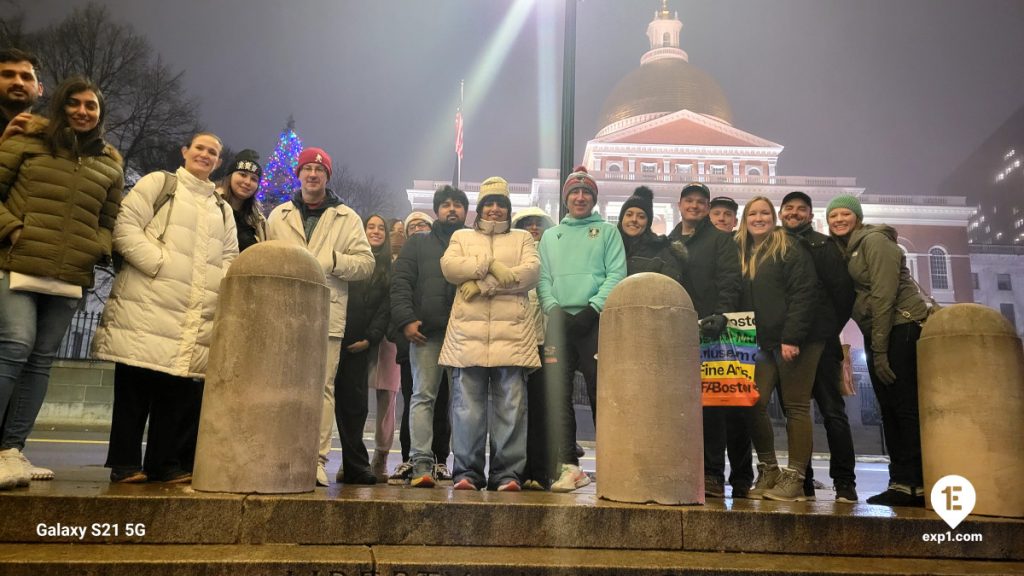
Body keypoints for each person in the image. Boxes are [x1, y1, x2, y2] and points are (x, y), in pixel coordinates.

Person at [0, 76, 123, 489]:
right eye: (75, 103)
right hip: (16, 262)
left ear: (100, 114)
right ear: (60, 106)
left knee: (40, 360)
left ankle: (12, 451)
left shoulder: (110, 163)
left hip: (70, 275)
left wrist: (95, 247)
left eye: (91, 105)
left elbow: (108, 218)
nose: (83, 111)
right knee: (15, 345)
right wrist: (12, 229)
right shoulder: (27, 142)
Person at [95, 131, 237, 484]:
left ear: (218, 162)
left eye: (213, 152)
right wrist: (159, 263)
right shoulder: (159, 183)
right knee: (135, 386)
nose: (205, 155)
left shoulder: (221, 208)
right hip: (147, 302)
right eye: (200, 148)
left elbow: (230, 257)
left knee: (175, 390)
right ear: (185, 151)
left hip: (191, 310)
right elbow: (124, 227)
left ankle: (164, 463)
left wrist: (215, 285)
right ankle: (125, 463)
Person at [265, 147, 375, 486]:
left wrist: (333, 260)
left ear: (327, 176)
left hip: (328, 314)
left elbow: (366, 264)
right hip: (284, 313)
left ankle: (315, 460)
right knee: (282, 386)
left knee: (322, 389)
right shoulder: (278, 215)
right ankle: (280, 456)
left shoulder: (347, 217)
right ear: (299, 174)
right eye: (307, 169)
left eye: (320, 170)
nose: (313, 175)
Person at [439, 176, 540, 491]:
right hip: (466, 336)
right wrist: (492, 264)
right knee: (466, 408)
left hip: (513, 336)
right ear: (480, 207)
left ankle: (506, 474)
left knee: (511, 407)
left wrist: (482, 283)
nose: (494, 209)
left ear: (508, 208)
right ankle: (467, 472)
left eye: (500, 204)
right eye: (489, 204)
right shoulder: (461, 235)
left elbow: (531, 273)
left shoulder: (523, 238)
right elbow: (450, 268)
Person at [827, 195, 929, 507]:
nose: (838, 220)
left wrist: (880, 350)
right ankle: (900, 482)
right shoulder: (849, 248)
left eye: (845, 214)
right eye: (833, 215)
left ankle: (915, 483)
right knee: (889, 406)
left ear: (857, 217)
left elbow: (885, 296)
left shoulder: (874, 241)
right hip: (879, 331)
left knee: (904, 406)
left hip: (901, 326)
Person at [537, 165, 626, 493]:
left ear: (593, 199)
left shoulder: (607, 232)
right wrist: (553, 309)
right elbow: (542, 277)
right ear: (566, 198)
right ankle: (569, 467)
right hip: (559, 323)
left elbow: (616, 273)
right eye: (574, 192)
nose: (579, 197)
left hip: (594, 323)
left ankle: (613, 464)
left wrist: (593, 308)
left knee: (600, 393)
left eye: (586, 192)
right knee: (558, 396)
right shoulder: (550, 236)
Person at [735, 196, 819, 501]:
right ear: (745, 219)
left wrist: (792, 337)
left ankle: (795, 478)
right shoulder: (743, 250)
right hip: (762, 341)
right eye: (753, 213)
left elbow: (804, 292)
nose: (759, 218)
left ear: (774, 217)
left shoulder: (788, 247)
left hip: (794, 339)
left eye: (765, 213)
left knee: (795, 406)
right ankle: (769, 469)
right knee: (753, 402)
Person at [779, 191, 858, 503]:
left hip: (821, 342)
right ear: (781, 213)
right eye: (789, 208)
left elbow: (843, 294)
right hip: (787, 341)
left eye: (801, 209)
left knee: (832, 411)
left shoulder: (823, 246)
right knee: (795, 412)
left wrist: (826, 329)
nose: (794, 213)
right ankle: (804, 481)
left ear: (811, 215)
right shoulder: (775, 243)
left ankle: (845, 482)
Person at [667, 182, 743, 498]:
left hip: (710, 328)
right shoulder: (669, 240)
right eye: (689, 200)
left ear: (707, 208)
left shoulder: (720, 240)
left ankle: (712, 474)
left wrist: (722, 314)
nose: (695, 206)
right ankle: (682, 468)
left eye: (701, 201)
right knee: (678, 404)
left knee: (712, 406)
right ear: (680, 204)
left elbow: (730, 280)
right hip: (675, 329)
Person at [390, 186, 468, 487]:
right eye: (446, 204)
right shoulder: (418, 243)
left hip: (466, 334)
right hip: (428, 334)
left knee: (465, 401)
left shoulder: (473, 242)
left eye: (458, 204)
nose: (452, 209)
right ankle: (421, 462)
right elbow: (401, 282)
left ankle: (464, 467)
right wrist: (406, 320)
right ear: (437, 211)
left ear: (465, 211)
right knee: (422, 396)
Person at [328, 213, 392, 484]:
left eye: (381, 228)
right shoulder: (347, 257)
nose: (376, 231)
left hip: (360, 342)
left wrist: (370, 338)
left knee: (355, 406)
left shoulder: (389, 268)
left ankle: (355, 465)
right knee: (321, 401)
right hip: (332, 335)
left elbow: (385, 307)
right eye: (371, 226)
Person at [512, 206, 556, 490]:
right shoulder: (512, 256)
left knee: (541, 409)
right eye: (526, 223)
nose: (533, 227)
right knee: (514, 409)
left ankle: (541, 471)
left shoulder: (553, 256)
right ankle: (515, 470)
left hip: (545, 342)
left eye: (537, 223)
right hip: (517, 341)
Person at [617, 186, 685, 282]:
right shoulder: (608, 246)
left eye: (641, 217)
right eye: (629, 214)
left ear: (648, 223)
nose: (634, 219)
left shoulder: (662, 252)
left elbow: (670, 287)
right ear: (621, 218)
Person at [216, 149, 265, 252]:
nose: (247, 182)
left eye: (254, 179)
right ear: (230, 176)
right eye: (243, 175)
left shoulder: (258, 221)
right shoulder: (212, 205)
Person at [0, 48, 43, 145]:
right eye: (8, 75)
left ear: (40, 89)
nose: (18, 82)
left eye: (26, 77)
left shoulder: (52, 134)